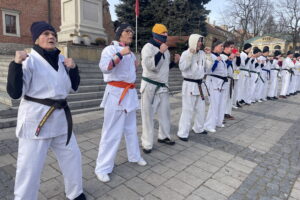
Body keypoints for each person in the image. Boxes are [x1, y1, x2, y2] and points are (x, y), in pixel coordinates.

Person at [6, 21, 86, 200]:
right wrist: (16, 64)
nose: (51, 37)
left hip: (60, 119)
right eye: (46, 34)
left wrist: (73, 69)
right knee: (30, 167)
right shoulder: (29, 60)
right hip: (37, 120)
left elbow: (73, 87)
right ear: (36, 39)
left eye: (53, 34)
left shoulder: (61, 59)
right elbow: (15, 92)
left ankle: (75, 192)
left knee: (73, 156)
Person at [95, 24, 147, 183]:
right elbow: (105, 68)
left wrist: (134, 63)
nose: (130, 34)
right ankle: (102, 168)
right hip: (116, 94)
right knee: (111, 132)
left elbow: (130, 73)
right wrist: (119, 55)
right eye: (127, 31)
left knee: (131, 128)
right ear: (119, 34)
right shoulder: (110, 50)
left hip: (129, 93)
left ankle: (134, 156)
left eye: (132, 31)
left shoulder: (130, 53)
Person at [140, 24, 180, 153]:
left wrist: (174, 62)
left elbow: (164, 69)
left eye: (166, 33)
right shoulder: (148, 47)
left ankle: (164, 136)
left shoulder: (166, 50)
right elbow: (151, 66)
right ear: (156, 34)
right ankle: (147, 143)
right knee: (148, 116)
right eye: (163, 33)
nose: (166, 35)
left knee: (165, 114)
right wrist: (161, 51)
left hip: (162, 87)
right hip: (150, 86)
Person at [177, 34, 209, 141]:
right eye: (199, 41)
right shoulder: (185, 53)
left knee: (201, 108)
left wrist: (208, 56)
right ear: (193, 41)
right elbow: (182, 67)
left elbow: (207, 68)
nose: (200, 43)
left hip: (200, 84)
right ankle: (182, 133)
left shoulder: (203, 53)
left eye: (201, 41)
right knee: (188, 109)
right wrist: (190, 54)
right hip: (189, 84)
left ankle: (198, 128)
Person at [204, 39, 227, 133]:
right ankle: (209, 125)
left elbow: (223, 70)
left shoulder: (219, 56)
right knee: (214, 103)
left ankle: (218, 121)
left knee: (221, 103)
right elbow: (209, 70)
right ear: (215, 46)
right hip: (213, 81)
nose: (222, 48)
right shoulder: (211, 56)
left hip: (221, 82)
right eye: (221, 46)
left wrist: (228, 61)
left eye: (223, 46)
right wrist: (216, 62)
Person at [221, 41, 236, 120]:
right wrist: (230, 59)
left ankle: (227, 112)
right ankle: (222, 114)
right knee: (224, 97)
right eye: (231, 47)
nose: (232, 49)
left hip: (230, 78)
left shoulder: (230, 55)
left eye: (233, 47)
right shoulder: (222, 56)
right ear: (226, 47)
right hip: (225, 79)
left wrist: (233, 56)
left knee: (229, 97)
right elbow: (223, 67)